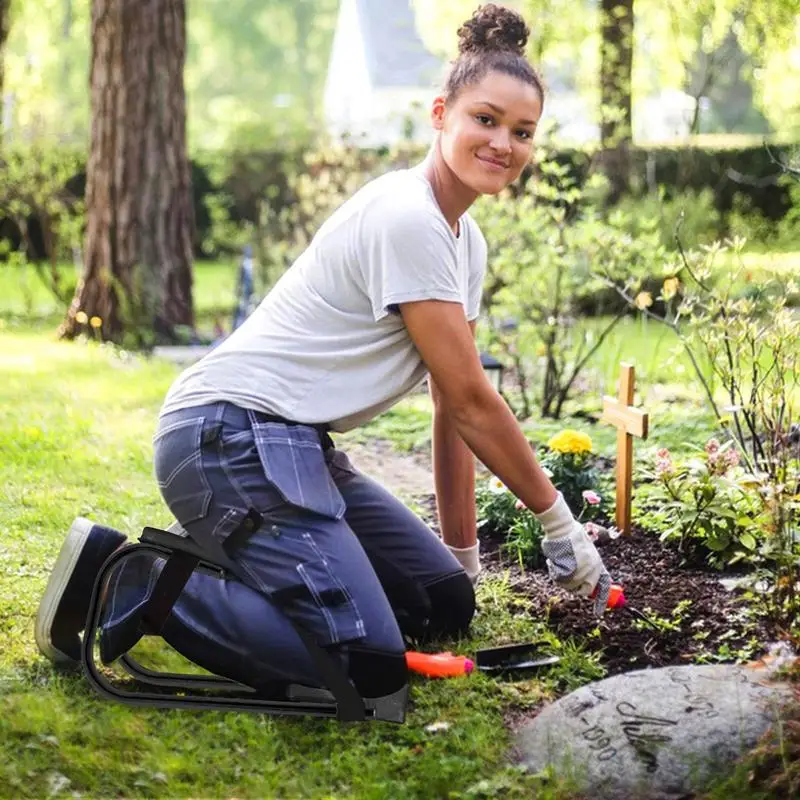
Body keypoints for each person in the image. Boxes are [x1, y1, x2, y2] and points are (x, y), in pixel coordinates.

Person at [35, 4, 611, 703]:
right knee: (366, 666)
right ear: (440, 114)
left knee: (442, 608)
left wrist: (460, 562)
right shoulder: (408, 217)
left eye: (522, 132)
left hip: (293, 447)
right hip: (225, 438)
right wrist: (558, 521)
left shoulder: (465, 240)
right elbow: (471, 401)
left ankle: (281, 571)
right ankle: (140, 582)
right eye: (485, 119)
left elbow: (448, 405)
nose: (503, 143)